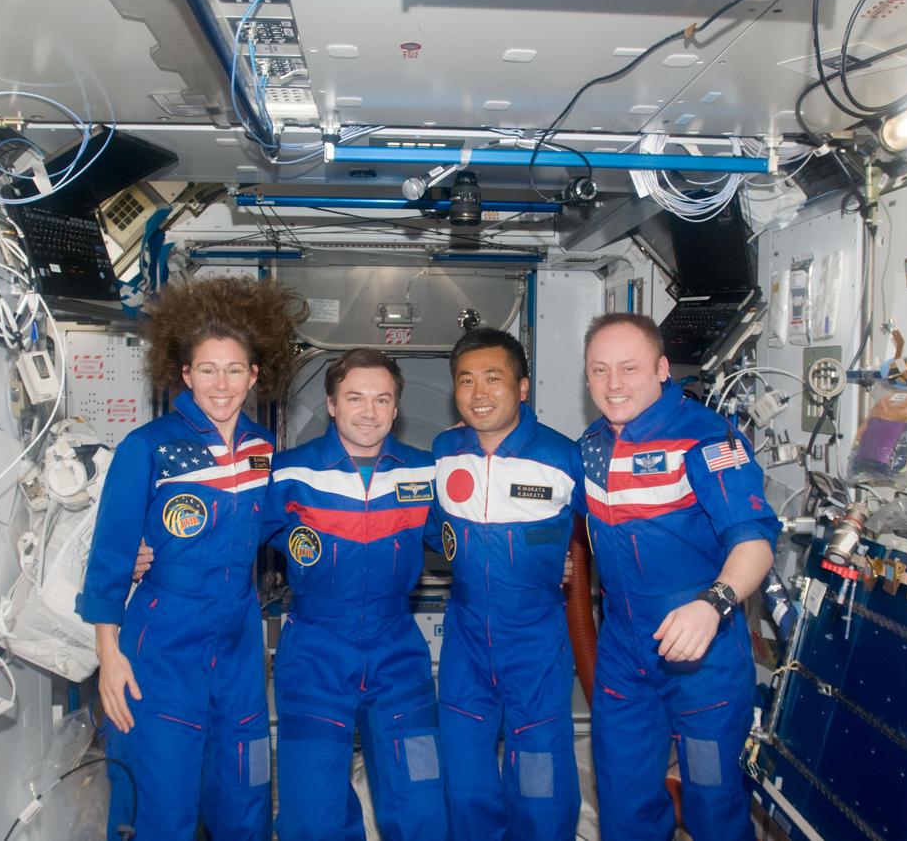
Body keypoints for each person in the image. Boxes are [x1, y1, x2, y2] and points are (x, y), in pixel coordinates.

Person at [75, 276, 304, 841]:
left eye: (234, 370)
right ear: (185, 375)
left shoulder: (263, 449)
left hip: (240, 646)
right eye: (207, 369)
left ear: (254, 375)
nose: (221, 384)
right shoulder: (148, 447)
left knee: (245, 796)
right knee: (161, 804)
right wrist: (109, 656)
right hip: (163, 647)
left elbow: (279, 525)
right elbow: (109, 556)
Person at [579, 312, 779, 841]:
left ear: (662, 369)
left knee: (713, 803)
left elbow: (754, 542)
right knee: (623, 802)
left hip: (703, 653)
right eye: (599, 370)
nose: (614, 383)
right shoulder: (592, 446)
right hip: (624, 653)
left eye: (629, 368)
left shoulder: (706, 438)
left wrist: (714, 603)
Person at [263, 348, 447, 841]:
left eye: (382, 399)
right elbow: (228, 539)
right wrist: (150, 551)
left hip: (397, 652)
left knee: (422, 797)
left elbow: (470, 534)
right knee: (313, 812)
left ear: (396, 407)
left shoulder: (424, 472)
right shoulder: (290, 472)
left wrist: (547, 558)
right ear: (331, 404)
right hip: (316, 652)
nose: (369, 411)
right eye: (355, 398)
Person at [428, 327, 585, 841]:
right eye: (465, 380)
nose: (478, 393)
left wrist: (566, 561)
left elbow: (606, 534)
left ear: (522, 386)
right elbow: (431, 529)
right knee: (464, 778)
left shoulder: (564, 457)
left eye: (493, 378)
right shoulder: (443, 450)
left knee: (541, 779)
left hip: (535, 639)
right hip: (466, 638)